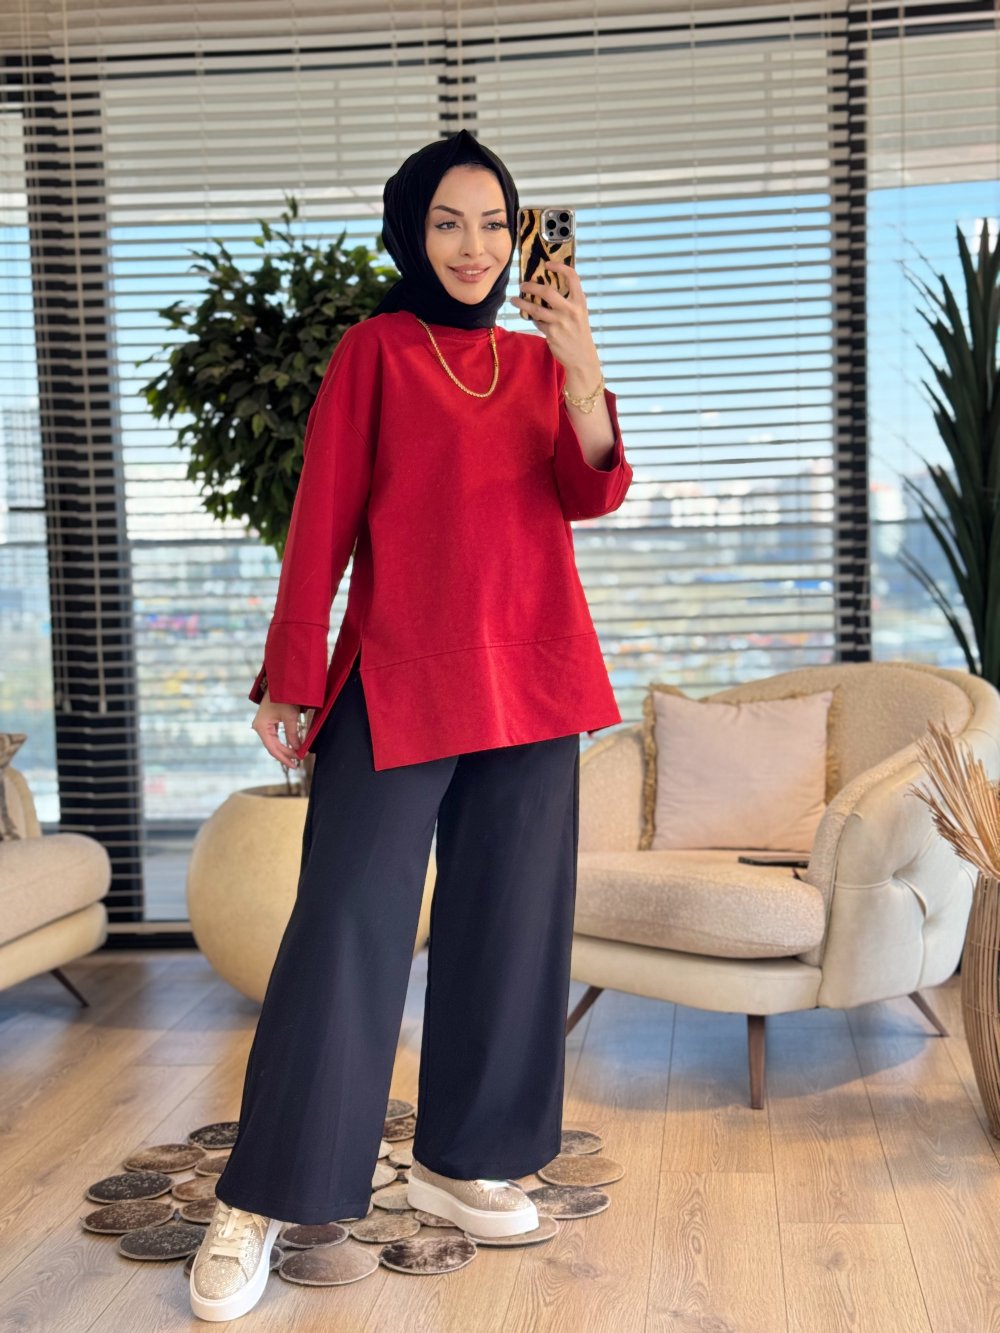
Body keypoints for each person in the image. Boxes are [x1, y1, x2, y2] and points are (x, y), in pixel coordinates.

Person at [189, 128, 633, 1323]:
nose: (473, 246)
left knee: (510, 933)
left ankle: (459, 1162)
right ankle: (261, 1199)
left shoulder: (538, 362)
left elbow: (592, 489)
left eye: (493, 223)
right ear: (410, 231)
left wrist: (581, 363)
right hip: (396, 678)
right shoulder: (375, 351)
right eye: (447, 222)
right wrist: (291, 675)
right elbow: (321, 517)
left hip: (533, 679)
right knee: (342, 934)